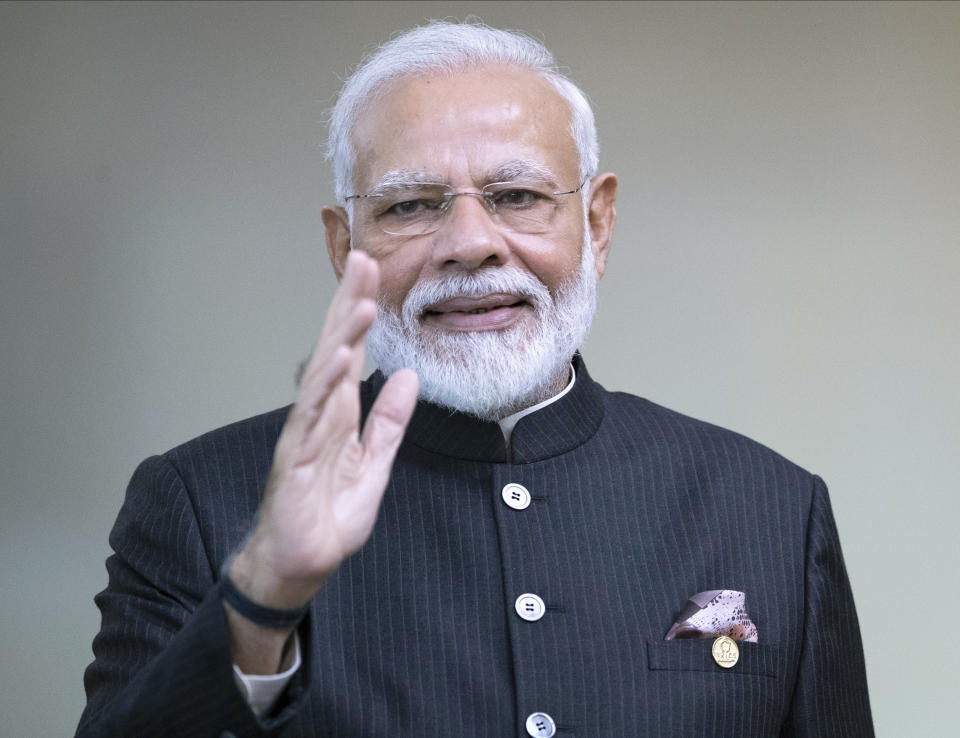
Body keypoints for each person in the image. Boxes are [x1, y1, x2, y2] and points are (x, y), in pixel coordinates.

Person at [77, 21, 873, 738]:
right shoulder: (198, 501)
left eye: (517, 196)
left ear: (596, 225)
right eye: (411, 207)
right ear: (342, 244)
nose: (468, 243)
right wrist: (261, 597)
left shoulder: (770, 508)